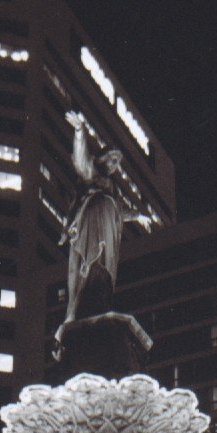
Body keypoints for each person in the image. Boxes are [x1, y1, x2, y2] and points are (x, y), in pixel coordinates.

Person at [58, 111, 152, 332]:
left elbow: (122, 210)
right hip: (91, 224)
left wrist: (137, 215)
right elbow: (81, 161)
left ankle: (99, 297)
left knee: (104, 269)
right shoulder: (92, 175)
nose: (113, 165)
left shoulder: (113, 191)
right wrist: (80, 132)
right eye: (111, 159)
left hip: (108, 231)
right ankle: (82, 306)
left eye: (116, 163)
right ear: (102, 158)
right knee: (90, 265)